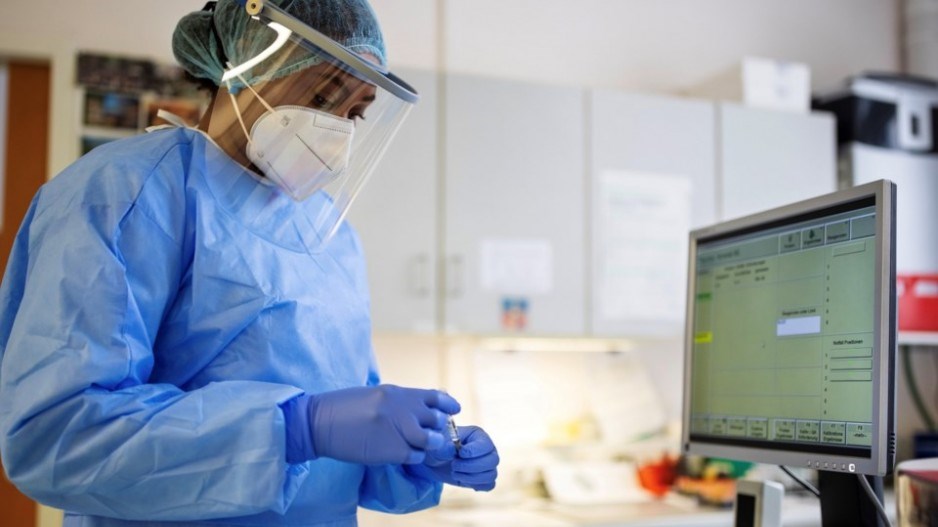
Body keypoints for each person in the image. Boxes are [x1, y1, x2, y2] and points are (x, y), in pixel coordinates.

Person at [0, 0, 499, 525]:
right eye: (324, 94)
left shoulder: (329, 237)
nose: (337, 125)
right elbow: (58, 437)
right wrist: (296, 426)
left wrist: (415, 451)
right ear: (248, 64)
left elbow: (340, 451)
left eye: (356, 111)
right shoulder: (125, 193)